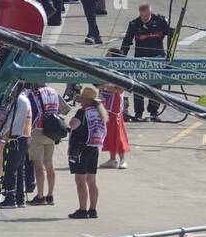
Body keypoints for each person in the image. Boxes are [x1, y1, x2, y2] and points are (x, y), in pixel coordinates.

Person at [118, 4, 172, 120]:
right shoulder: (134, 24)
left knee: (156, 86)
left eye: (147, 16)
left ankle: (153, 112)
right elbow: (127, 41)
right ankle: (138, 113)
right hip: (140, 60)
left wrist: (170, 55)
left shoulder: (161, 21)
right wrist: (121, 58)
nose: (145, 18)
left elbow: (171, 36)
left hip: (157, 58)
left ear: (150, 12)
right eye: (143, 16)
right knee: (138, 87)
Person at [67, 85, 107, 219]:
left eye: (82, 98)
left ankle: (82, 210)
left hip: (81, 148)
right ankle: (93, 209)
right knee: (92, 180)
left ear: (86, 100)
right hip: (94, 147)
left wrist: (68, 124)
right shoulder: (99, 112)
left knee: (80, 180)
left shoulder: (82, 112)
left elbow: (73, 124)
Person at [26, 81, 65, 205]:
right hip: (52, 132)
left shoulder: (34, 94)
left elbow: (32, 112)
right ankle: (50, 195)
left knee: (38, 166)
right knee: (49, 165)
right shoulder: (54, 91)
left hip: (38, 130)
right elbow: (63, 109)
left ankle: (40, 196)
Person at [0, 85, 33, 208]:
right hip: (25, 137)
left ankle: (10, 199)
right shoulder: (25, 99)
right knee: (19, 169)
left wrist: (1, 132)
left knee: (10, 170)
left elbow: (11, 119)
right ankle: (19, 198)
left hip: (17, 138)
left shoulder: (18, 100)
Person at [99, 77, 130, 169]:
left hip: (115, 109)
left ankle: (122, 159)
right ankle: (112, 159)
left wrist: (106, 87)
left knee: (118, 134)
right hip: (105, 104)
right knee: (108, 133)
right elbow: (98, 86)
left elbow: (120, 89)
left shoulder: (118, 75)